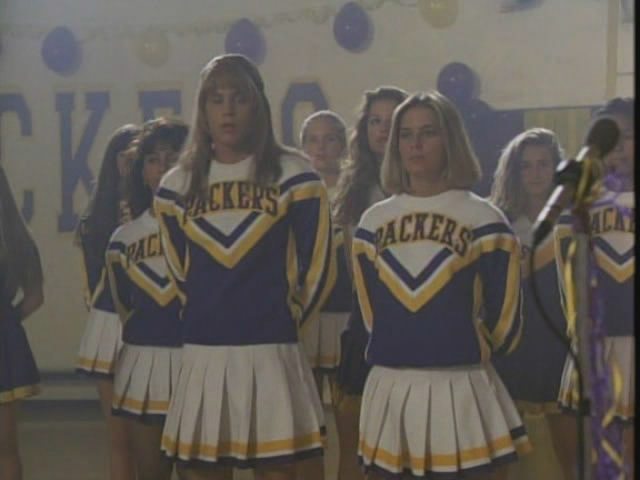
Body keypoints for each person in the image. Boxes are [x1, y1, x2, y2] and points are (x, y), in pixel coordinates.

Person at [155, 54, 334, 480]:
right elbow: (179, 271)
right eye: (216, 99)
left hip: (271, 347)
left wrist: (288, 317)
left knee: (278, 470)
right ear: (202, 109)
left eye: (239, 98)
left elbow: (319, 265)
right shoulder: (175, 185)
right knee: (201, 470)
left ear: (259, 105)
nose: (228, 110)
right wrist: (206, 315)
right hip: (204, 349)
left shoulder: (295, 174)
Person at [354, 91, 531, 479]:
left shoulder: (483, 217)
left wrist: (469, 347)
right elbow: (371, 313)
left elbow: (506, 317)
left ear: (450, 139)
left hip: (462, 384)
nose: (415, 144)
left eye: (428, 133)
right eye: (406, 135)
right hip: (392, 384)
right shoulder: (372, 223)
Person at [555, 97, 635, 478]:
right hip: (595, 345)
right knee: (590, 461)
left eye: (628, 135)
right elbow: (567, 282)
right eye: (608, 138)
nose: (618, 147)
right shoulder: (578, 206)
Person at [490, 128, 575, 479]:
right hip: (512, 342)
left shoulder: (572, 221)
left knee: (570, 450)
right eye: (526, 166)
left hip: (559, 341)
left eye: (543, 164)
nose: (535, 173)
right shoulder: (498, 223)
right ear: (514, 172)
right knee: (502, 454)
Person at [332, 86, 407, 480]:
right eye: (374, 121)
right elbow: (354, 266)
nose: (382, 130)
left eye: (392, 122)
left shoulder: (427, 185)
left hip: (418, 323)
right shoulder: (356, 187)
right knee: (355, 444)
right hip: (366, 322)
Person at [106, 118, 188, 480]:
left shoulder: (212, 227)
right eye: (153, 159)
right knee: (152, 470)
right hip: (145, 362)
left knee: (203, 471)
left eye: (173, 158)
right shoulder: (123, 239)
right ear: (141, 171)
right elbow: (125, 309)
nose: (163, 168)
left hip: (200, 359)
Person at [75, 123, 141, 480]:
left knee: (162, 441)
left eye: (138, 156)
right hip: (111, 322)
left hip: (160, 324)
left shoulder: (166, 206)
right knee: (120, 440)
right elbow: (94, 286)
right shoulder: (97, 218)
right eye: (124, 156)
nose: (130, 163)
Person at [0, 164, 44, 480]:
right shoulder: (17, 237)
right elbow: (35, 297)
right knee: (7, 449)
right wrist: (8, 323)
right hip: (4, 345)